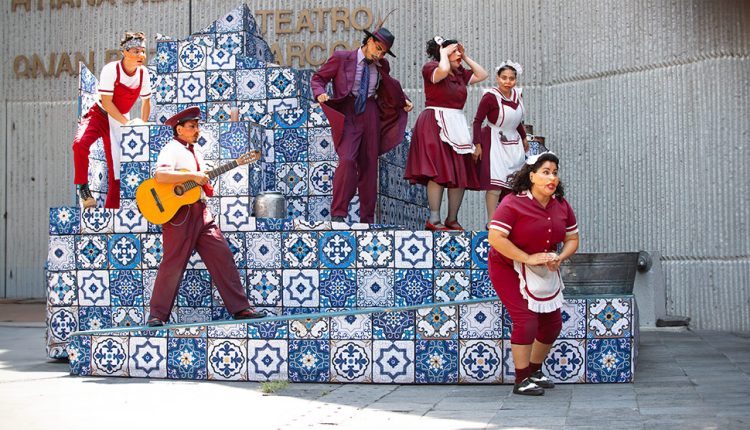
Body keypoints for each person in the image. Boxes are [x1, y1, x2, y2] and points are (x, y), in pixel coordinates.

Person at [146, 107, 263, 326]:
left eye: (197, 126)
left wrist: (205, 181)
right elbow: (160, 175)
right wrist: (194, 176)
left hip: (201, 211)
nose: (196, 130)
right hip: (180, 214)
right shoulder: (171, 149)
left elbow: (199, 182)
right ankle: (157, 315)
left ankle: (240, 308)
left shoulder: (195, 152)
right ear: (179, 129)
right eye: (192, 126)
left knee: (222, 255)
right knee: (173, 262)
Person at [487, 152, 579, 395]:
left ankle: (534, 372)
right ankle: (521, 380)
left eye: (555, 173)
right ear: (532, 176)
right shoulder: (512, 203)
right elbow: (495, 238)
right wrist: (527, 258)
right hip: (507, 266)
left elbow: (572, 238)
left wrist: (560, 257)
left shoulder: (561, 205)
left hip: (541, 267)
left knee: (552, 324)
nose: (552, 177)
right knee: (526, 321)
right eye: (546, 172)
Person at [311, 26, 413, 224]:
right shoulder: (342, 58)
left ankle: (367, 219)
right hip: (348, 110)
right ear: (368, 41)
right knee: (347, 159)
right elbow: (318, 78)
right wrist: (319, 93)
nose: (379, 54)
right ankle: (339, 213)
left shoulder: (382, 65)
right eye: (378, 48)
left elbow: (389, 87)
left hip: (371, 112)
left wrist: (404, 100)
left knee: (369, 166)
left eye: (383, 52)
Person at [403, 36, 488, 230]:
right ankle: (434, 219)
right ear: (444, 52)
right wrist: (443, 52)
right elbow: (441, 71)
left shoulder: (459, 73)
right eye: (455, 50)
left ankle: (452, 218)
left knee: (459, 171)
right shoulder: (430, 67)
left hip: (456, 122)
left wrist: (464, 57)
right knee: (438, 170)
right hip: (434, 122)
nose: (458, 53)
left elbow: (482, 74)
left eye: (459, 50)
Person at [72, 31, 153, 209]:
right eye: (135, 51)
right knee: (79, 144)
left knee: (117, 173)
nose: (141, 55)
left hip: (119, 122)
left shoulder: (143, 74)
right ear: (124, 52)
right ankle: (83, 187)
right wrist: (128, 124)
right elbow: (107, 104)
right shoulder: (111, 70)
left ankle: (110, 218)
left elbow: (146, 102)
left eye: (143, 51)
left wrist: (142, 127)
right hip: (99, 114)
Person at [473, 61, 529, 225]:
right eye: (504, 78)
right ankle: (492, 221)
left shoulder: (518, 95)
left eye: (511, 78)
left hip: (515, 143)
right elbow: (477, 121)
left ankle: (511, 221)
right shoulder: (490, 96)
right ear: (497, 78)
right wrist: (477, 144)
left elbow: (517, 121)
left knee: (515, 184)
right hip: (494, 141)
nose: (507, 81)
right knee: (496, 184)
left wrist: (524, 137)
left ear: (515, 80)